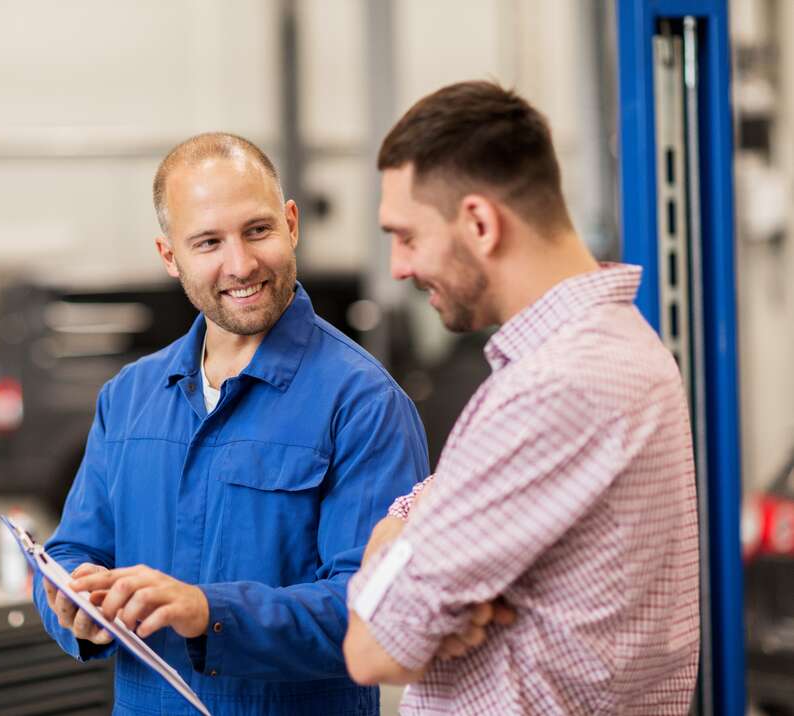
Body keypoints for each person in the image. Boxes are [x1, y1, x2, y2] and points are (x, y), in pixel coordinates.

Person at [34, 132, 430, 715]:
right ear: (170, 256)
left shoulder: (364, 402)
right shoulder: (128, 398)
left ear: (292, 224)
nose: (240, 264)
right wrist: (70, 603)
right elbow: (72, 549)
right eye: (208, 242)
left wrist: (208, 613)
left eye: (258, 230)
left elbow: (377, 609)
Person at [342, 81, 700, 714]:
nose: (398, 266)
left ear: (479, 222)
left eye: (407, 236)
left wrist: (390, 554)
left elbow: (373, 648)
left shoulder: (559, 385)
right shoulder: (610, 346)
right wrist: (401, 527)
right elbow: (418, 516)